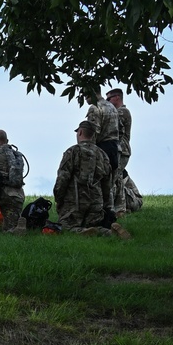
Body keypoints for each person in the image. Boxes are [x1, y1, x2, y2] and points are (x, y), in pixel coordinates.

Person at [53, 122, 130, 237]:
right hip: (96, 204)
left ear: (80, 132)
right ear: (93, 135)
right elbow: (107, 185)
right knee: (95, 225)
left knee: (65, 228)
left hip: (74, 203)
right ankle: (109, 232)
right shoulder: (102, 155)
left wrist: (58, 199)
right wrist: (105, 205)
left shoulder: (72, 152)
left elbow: (62, 179)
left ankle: (81, 232)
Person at [106, 87, 134, 217]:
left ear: (117, 97)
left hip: (121, 150)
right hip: (118, 150)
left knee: (115, 178)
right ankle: (119, 208)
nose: (107, 102)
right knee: (115, 178)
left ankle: (119, 209)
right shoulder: (118, 112)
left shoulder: (122, 112)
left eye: (109, 98)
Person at [85, 89, 121, 183]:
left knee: (96, 184)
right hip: (114, 148)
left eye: (86, 94)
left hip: (101, 149)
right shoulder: (111, 106)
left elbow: (93, 133)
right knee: (109, 185)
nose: (84, 98)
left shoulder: (95, 108)